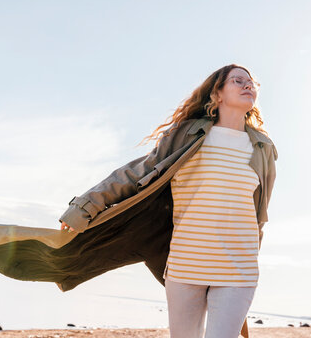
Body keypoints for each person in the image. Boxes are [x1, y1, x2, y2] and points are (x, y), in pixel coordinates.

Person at [60, 63, 278, 338]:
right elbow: (136, 173)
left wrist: (253, 250)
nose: (248, 85)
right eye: (238, 80)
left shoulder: (262, 148)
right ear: (217, 93)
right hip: (186, 264)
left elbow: (259, 213)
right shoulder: (186, 134)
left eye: (251, 82)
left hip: (239, 268)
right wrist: (85, 206)